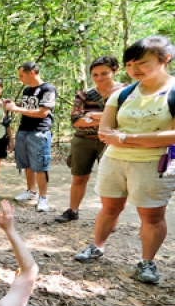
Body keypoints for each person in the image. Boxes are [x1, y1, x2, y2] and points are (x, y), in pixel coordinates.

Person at [74, 36, 175, 284]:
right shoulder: (123, 94)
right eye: (130, 65)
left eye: (142, 63)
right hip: (115, 160)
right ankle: (98, 246)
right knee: (110, 207)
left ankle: (147, 261)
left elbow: (172, 137)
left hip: (155, 163)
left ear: (165, 60)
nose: (134, 70)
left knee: (151, 216)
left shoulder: (171, 92)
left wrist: (125, 136)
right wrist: (143, 138)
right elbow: (104, 132)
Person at [55, 57, 126, 223]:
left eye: (104, 73)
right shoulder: (84, 94)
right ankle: (73, 210)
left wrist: (93, 116)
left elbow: (125, 118)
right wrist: (109, 118)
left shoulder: (126, 92)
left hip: (110, 141)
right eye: (95, 74)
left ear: (115, 71)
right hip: (83, 140)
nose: (99, 78)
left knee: (108, 180)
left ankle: (108, 217)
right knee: (79, 177)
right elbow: (76, 119)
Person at [4, 62, 57, 212]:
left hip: (39, 131)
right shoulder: (27, 90)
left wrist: (16, 109)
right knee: (26, 163)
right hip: (23, 130)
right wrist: (14, 104)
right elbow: (29, 106)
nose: (20, 78)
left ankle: (43, 198)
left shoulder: (48, 89)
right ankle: (31, 191)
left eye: (22, 75)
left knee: (40, 166)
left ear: (32, 73)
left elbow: (43, 112)